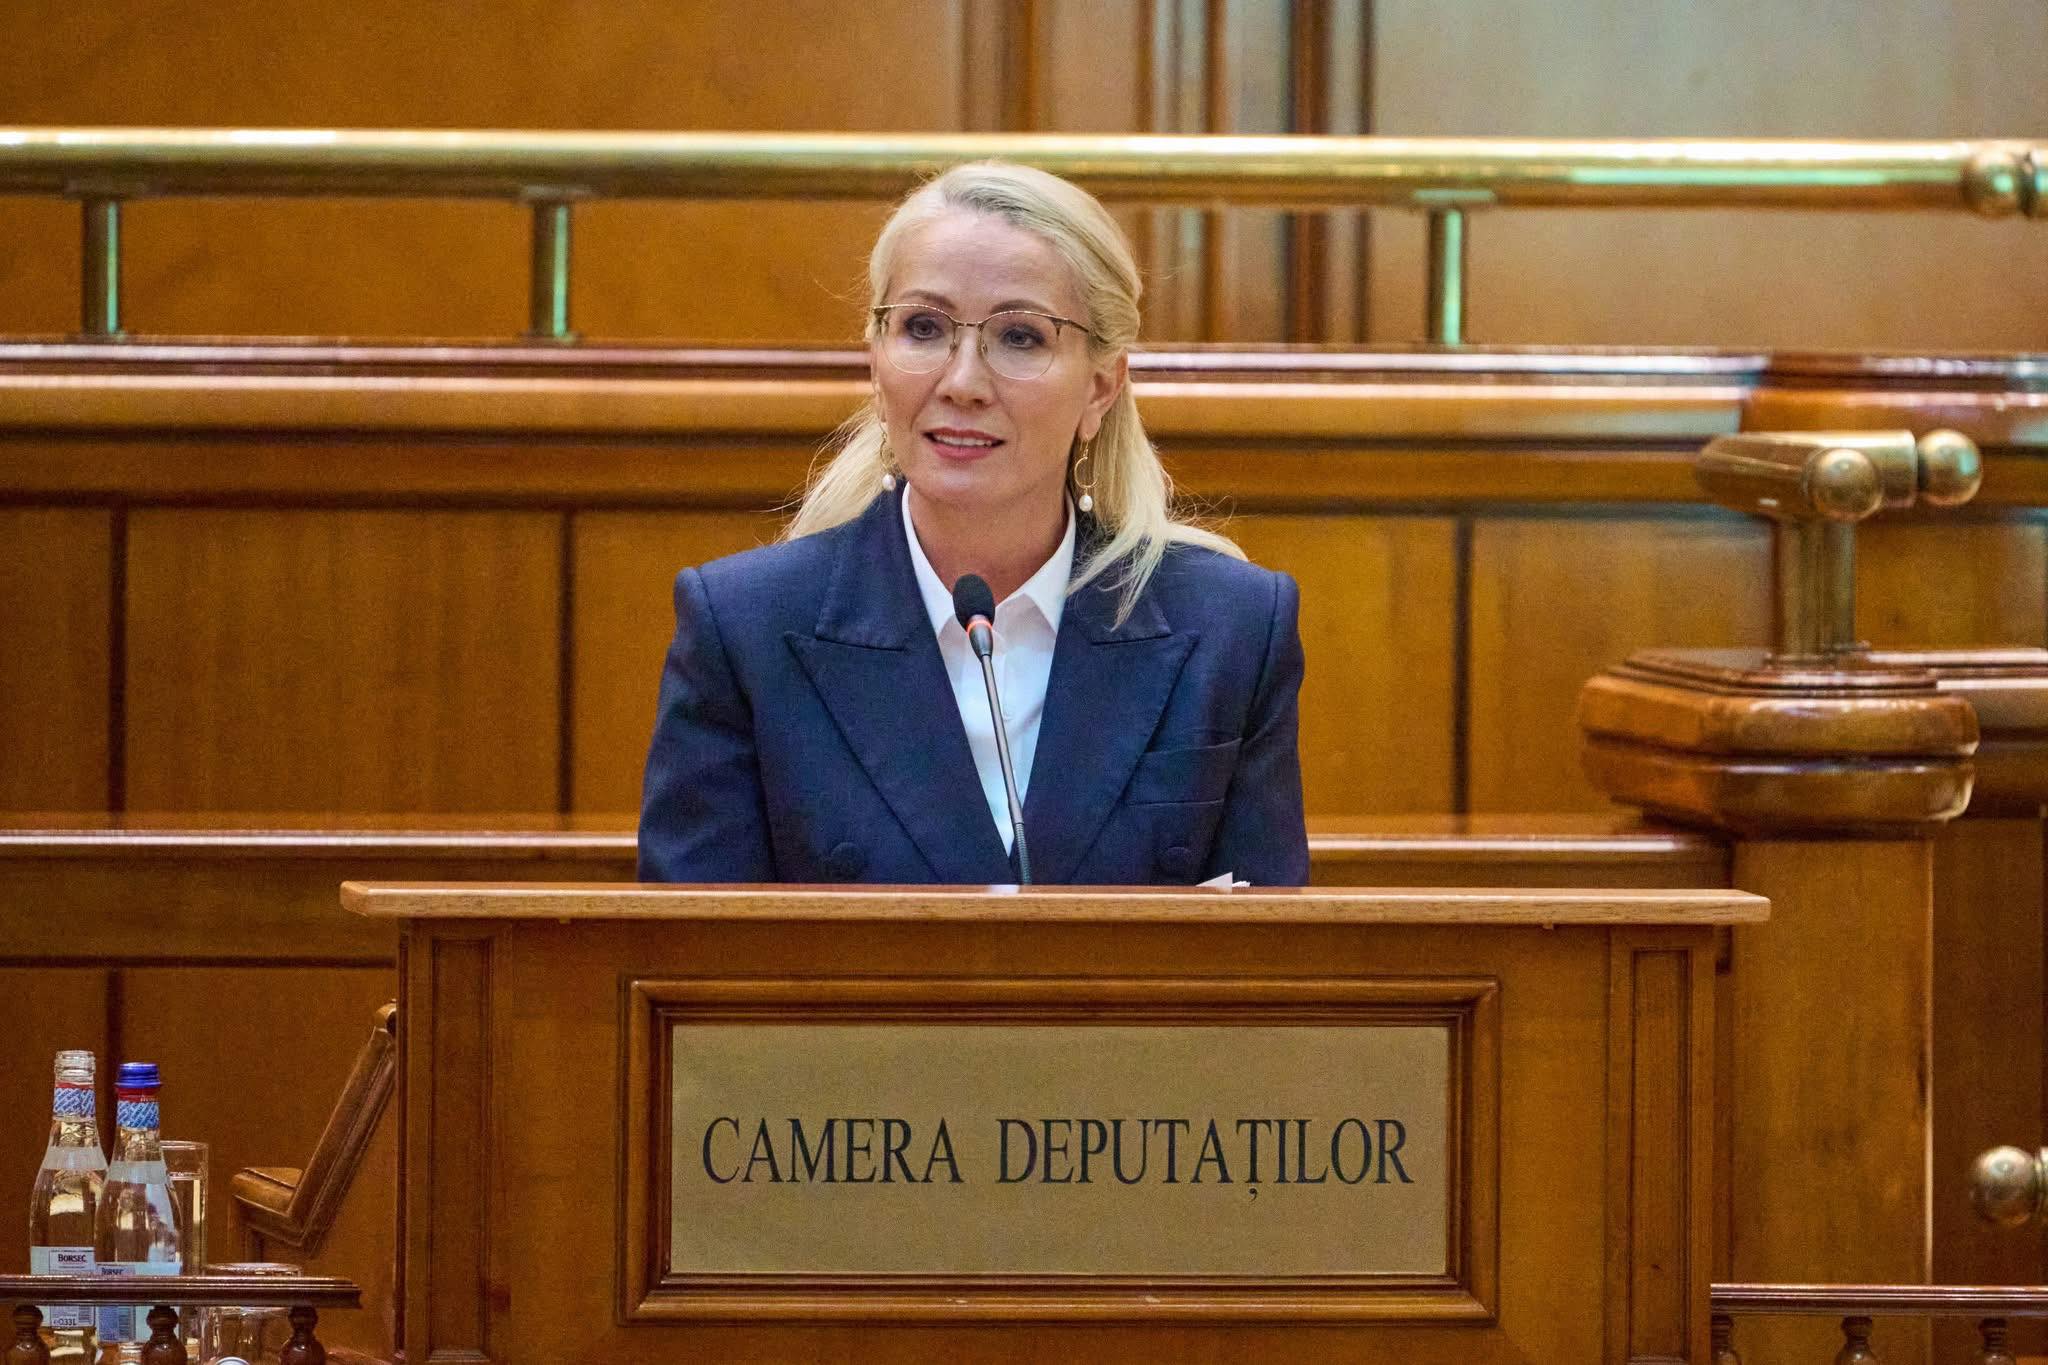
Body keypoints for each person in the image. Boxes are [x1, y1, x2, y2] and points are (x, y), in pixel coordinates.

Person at [638, 161, 1307, 886]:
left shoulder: (1232, 628)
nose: (962, 383)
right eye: (923, 328)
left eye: (1020, 337)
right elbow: (693, 949)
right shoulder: (745, 629)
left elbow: (1268, 948)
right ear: (875, 362)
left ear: (1100, 387)